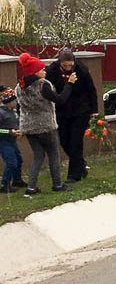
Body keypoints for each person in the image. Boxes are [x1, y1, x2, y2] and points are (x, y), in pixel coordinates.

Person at [15, 53, 74, 196]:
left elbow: (18, 107)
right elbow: (60, 99)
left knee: (38, 156)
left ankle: (31, 188)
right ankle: (58, 184)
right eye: (41, 69)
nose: (45, 71)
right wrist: (69, 84)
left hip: (28, 127)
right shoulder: (43, 85)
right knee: (54, 154)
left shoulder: (19, 86)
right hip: (45, 126)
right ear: (35, 71)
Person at [45, 47, 97, 183]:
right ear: (60, 62)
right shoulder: (52, 71)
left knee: (75, 141)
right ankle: (80, 165)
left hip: (80, 109)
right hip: (62, 110)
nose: (68, 68)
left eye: (70, 65)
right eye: (65, 65)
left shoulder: (81, 69)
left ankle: (73, 175)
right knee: (64, 141)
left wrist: (94, 110)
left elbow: (91, 89)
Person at [0, 86, 25, 192]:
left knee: (19, 160)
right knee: (11, 162)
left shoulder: (14, 112)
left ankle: (17, 180)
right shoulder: (1, 113)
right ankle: (4, 184)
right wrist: (10, 132)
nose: (15, 102)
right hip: (3, 141)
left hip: (12, 141)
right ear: (8, 102)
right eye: (13, 101)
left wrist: (19, 130)